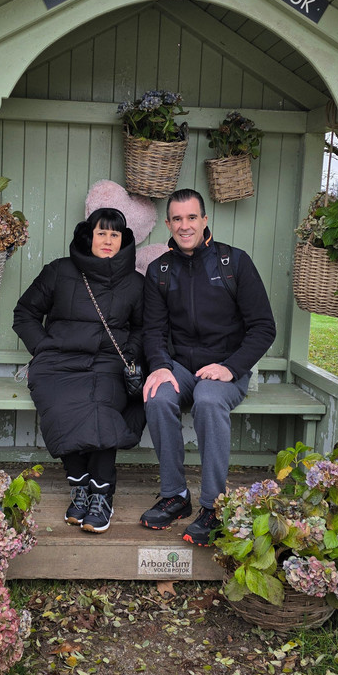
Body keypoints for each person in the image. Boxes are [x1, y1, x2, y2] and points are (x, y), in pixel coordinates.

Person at [139, 189, 276, 546]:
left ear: (204, 219)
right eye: (177, 219)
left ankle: (214, 506)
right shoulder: (160, 271)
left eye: (192, 217)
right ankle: (175, 496)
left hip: (226, 367)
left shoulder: (234, 263)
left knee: (209, 400)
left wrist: (232, 368)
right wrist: (158, 365)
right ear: (168, 224)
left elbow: (264, 327)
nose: (185, 226)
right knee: (157, 396)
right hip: (181, 366)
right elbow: (152, 330)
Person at [13, 208, 145, 534]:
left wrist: (128, 354)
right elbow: (25, 312)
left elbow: (145, 329)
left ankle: (101, 494)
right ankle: (80, 487)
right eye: (102, 232)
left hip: (106, 363)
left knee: (102, 408)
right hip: (57, 362)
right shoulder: (59, 271)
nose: (108, 240)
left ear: (123, 239)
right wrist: (43, 347)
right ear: (89, 235)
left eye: (115, 234)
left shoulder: (135, 283)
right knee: (61, 407)